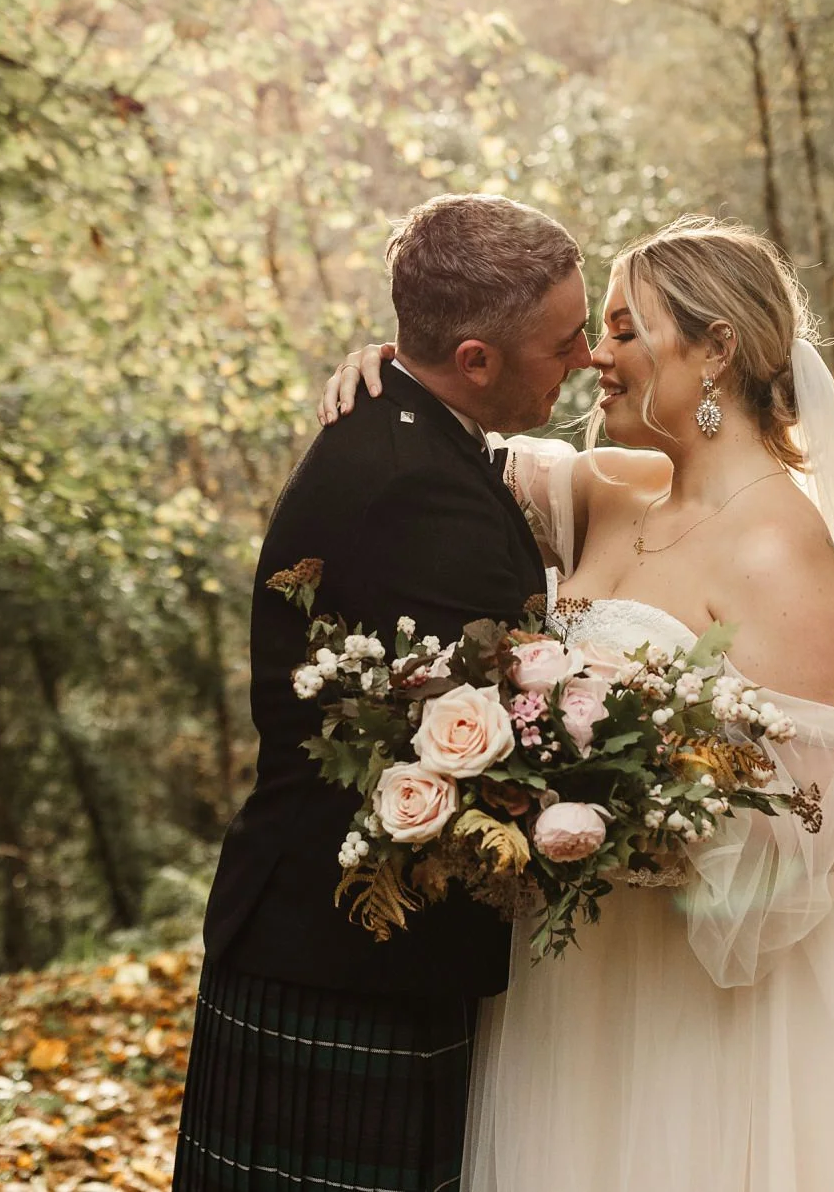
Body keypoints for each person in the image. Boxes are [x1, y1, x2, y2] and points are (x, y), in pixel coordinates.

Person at [318, 215, 834, 1190]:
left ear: (716, 347)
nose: (595, 356)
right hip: (567, 990)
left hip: (694, 1011)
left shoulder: (779, 544)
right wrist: (391, 377)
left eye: (623, 329)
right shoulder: (610, 488)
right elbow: (439, 447)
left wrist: (641, 816)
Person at [175, 193, 595, 1192]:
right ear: (475, 360)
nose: (583, 359)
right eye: (565, 340)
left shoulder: (417, 424)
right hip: (345, 956)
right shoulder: (414, 479)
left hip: (343, 944)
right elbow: (502, 734)